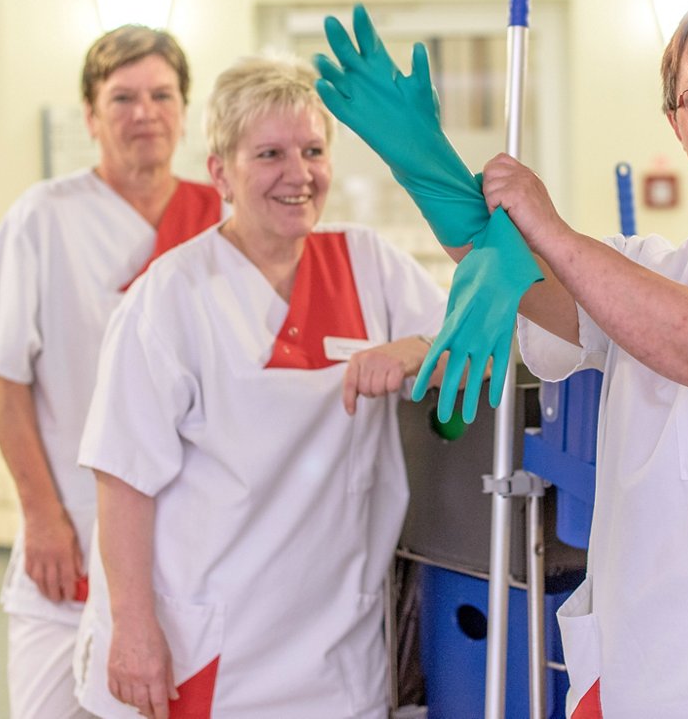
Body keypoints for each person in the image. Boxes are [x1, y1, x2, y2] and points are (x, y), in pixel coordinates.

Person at [318, 0, 688, 718]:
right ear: (676, 122)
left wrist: (551, 226)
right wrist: (425, 165)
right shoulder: (659, 266)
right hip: (653, 670)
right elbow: (523, 274)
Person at [72, 54, 447, 719]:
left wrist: (418, 350)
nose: (298, 174)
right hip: (212, 647)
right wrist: (133, 628)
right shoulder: (172, 296)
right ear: (220, 171)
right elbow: (123, 478)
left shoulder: (370, 266)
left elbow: (479, 352)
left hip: (338, 648)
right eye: (269, 153)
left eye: (312, 150)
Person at [0, 25, 222, 719]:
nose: (144, 112)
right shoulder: (44, 217)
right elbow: (2, 378)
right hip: (70, 531)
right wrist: (40, 515)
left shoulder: (222, 219)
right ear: (92, 115)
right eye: (122, 97)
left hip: (193, 538)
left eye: (161, 94)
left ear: (184, 111)